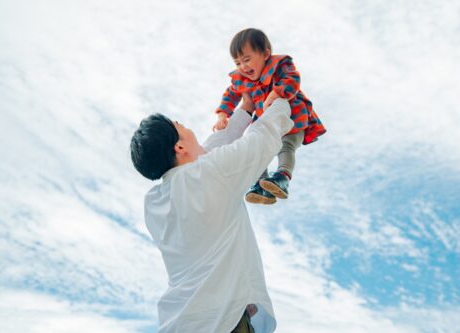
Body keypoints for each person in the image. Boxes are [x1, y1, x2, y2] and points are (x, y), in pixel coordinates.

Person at [130, 93, 293, 332]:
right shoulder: (209, 174)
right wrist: (281, 101)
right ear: (180, 147)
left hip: (179, 322)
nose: (185, 125)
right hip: (221, 323)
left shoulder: (155, 202)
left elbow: (211, 151)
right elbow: (259, 142)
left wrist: (245, 110)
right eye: (180, 125)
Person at [213, 28, 327, 205]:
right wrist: (222, 114)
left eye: (247, 59)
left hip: (293, 119)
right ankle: (261, 185)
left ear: (266, 53)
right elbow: (231, 95)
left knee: (286, 146)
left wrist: (274, 95)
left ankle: (282, 177)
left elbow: (292, 78)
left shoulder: (280, 65)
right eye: (237, 63)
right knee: (255, 148)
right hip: (266, 122)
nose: (243, 67)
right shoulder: (242, 79)